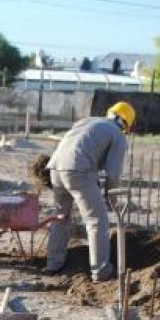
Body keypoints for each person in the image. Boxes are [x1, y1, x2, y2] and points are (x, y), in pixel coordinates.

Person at [43, 101, 135, 282]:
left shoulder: (86, 121)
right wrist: (112, 196)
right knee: (97, 220)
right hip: (78, 171)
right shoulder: (117, 134)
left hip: (55, 169)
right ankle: (101, 271)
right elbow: (113, 173)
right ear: (125, 124)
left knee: (61, 216)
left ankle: (54, 264)